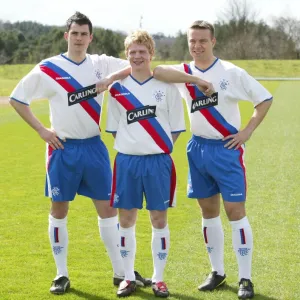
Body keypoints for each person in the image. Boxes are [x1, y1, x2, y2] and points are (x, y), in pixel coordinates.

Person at [9, 11, 150, 295]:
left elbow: (137, 64)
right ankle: (61, 274)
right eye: (74, 33)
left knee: (108, 209)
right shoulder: (48, 68)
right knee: (59, 209)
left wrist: (108, 78)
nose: (79, 38)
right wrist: (41, 130)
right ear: (66, 35)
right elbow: (17, 98)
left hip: (93, 146)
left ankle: (120, 272)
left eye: (84, 34)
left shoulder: (100, 63)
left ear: (91, 37)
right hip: (63, 148)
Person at [153, 20, 273, 299]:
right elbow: (157, 71)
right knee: (208, 213)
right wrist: (195, 80)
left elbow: (264, 99)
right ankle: (217, 272)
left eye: (203, 41)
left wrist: (247, 132)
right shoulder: (183, 72)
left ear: (213, 42)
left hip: (226, 149)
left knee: (235, 213)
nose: (197, 46)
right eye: (192, 41)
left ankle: (246, 278)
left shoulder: (231, 72)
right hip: (198, 149)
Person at [106, 30, 186, 298]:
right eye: (132, 52)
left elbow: (176, 129)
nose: (137, 56)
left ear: (151, 54)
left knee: (158, 219)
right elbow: (115, 129)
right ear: (126, 56)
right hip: (127, 162)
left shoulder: (167, 87)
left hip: (158, 163)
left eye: (142, 52)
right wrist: (134, 145)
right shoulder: (116, 90)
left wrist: (156, 147)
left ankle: (159, 279)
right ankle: (128, 278)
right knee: (126, 219)